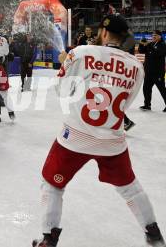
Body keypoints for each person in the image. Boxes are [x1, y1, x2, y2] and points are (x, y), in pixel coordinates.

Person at [32, 15, 165, 247]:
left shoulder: (82, 52)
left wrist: (66, 63)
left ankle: (48, 237)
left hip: (75, 137)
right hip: (112, 141)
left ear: (103, 33)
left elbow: (62, 91)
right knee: (130, 188)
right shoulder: (136, 66)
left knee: (52, 184)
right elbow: (125, 105)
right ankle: (153, 233)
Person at [138, 30, 166, 112]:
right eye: (152, 35)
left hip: (158, 73)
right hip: (148, 72)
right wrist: (141, 43)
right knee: (146, 89)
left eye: (155, 35)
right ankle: (147, 105)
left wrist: (149, 46)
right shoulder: (151, 44)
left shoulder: (163, 45)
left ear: (160, 36)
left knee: (162, 90)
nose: (153, 37)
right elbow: (141, 51)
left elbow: (157, 53)